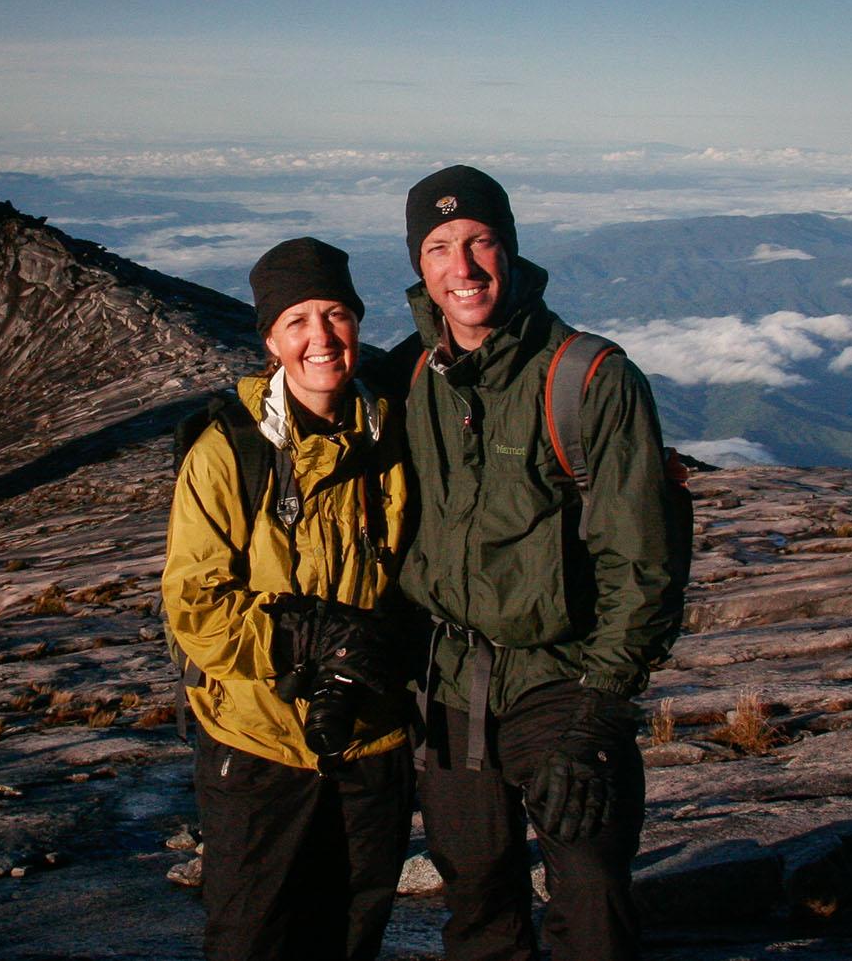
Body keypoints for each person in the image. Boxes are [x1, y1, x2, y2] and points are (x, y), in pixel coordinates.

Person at [396, 166, 681, 961]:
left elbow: (644, 566)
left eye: (481, 241)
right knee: (477, 895)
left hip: (563, 677)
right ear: (418, 266)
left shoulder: (588, 378)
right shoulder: (413, 377)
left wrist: (598, 718)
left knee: (588, 888)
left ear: (511, 249)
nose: (464, 268)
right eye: (440, 247)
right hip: (449, 682)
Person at [162, 237, 415, 961]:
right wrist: (307, 636)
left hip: (372, 742)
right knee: (252, 942)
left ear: (358, 324)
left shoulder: (393, 435)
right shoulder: (227, 453)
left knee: (351, 940)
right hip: (259, 746)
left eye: (335, 315)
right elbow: (197, 610)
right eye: (297, 321)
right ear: (270, 339)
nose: (320, 339)